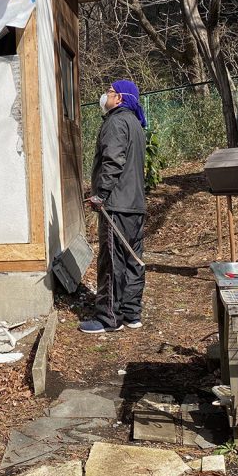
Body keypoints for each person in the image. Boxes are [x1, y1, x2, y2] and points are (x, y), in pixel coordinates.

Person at [80, 80, 147, 334]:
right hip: (135, 206)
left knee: (111, 261)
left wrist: (100, 194)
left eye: (109, 92)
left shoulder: (116, 122)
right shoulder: (135, 124)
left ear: (119, 98)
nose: (104, 96)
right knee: (132, 260)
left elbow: (113, 161)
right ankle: (131, 313)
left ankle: (108, 318)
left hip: (116, 205)